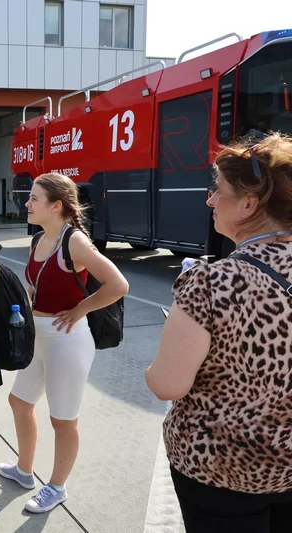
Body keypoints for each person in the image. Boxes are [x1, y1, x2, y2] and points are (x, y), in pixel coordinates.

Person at [146, 133, 292, 533]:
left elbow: (166, 384)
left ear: (249, 203)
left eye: (219, 190)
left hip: (222, 470)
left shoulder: (211, 281)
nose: (210, 199)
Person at [0, 173, 129, 513]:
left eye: (33, 198)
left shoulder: (75, 242)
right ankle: (25, 471)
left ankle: (56, 487)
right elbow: (36, 286)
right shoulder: (38, 239)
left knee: (63, 419)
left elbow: (118, 284)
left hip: (67, 340)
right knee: (19, 402)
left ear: (56, 206)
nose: (26, 203)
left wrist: (80, 309)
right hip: (37, 336)